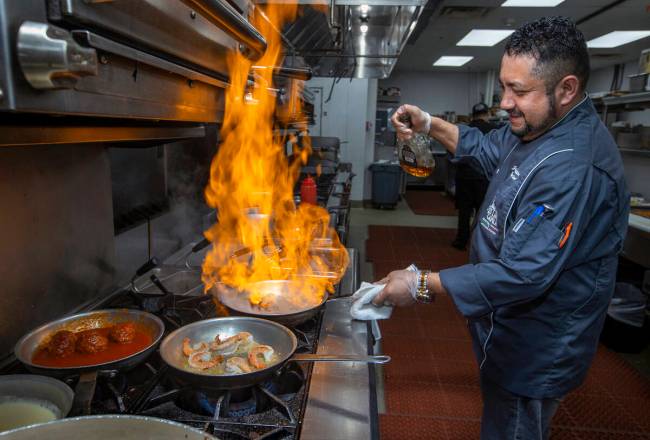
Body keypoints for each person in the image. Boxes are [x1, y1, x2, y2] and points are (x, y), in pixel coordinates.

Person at [377, 16, 629, 439]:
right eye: (504, 86)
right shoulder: (537, 125)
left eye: (520, 91)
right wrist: (428, 123)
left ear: (566, 89)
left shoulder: (573, 166)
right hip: (505, 321)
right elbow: (483, 146)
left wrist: (422, 284)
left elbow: (523, 272)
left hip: (538, 341)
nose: (505, 102)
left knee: (512, 427)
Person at [451, 103, 496, 250]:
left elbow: (453, 153)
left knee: (464, 211)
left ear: (473, 115)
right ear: (486, 114)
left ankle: (460, 241)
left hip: (464, 177)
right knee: (483, 212)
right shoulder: (494, 131)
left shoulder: (465, 130)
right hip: (484, 178)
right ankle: (479, 244)